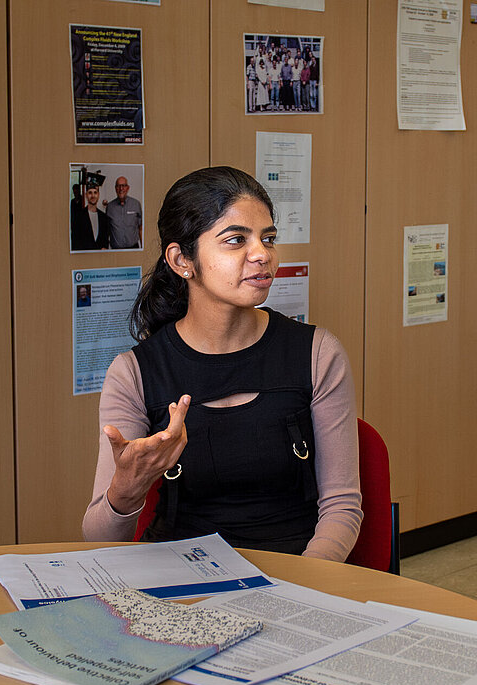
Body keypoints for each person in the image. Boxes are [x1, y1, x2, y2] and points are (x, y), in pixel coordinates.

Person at [82, 166, 362, 561]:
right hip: (180, 577)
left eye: (268, 238)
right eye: (235, 240)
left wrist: (300, 590)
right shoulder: (135, 372)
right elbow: (98, 542)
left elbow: (342, 508)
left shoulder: (318, 353)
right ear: (182, 260)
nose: (262, 254)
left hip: (296, 571)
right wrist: (126, 490)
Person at [104, 176, 142, 250]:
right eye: (118, 186)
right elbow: (106, 230)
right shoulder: (110, 207)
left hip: (133, 248)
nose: (121, 188)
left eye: (123, 186)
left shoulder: (136, 204)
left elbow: (141, 228)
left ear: (128, 188)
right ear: (115, 188)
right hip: (116, 250)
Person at [71, 182, 110, 251]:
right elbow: (75, 242)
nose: (93, 196)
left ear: (98, 195)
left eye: (95, 192)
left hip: (100, 258)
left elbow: (105, 240)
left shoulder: (104, 217)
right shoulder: (78, 217)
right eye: (90, 193)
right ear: (86, 195)